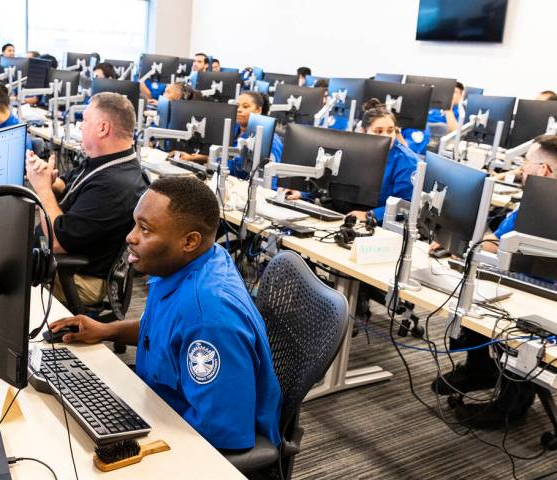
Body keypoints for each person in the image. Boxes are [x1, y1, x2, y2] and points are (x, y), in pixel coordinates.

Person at [47, 176, 282, 450]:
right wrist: (106, 330)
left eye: (145, 229)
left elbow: (223, 438)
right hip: (158, 402)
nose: (130, 236)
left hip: (196, 444)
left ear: (189, 241)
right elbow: (164, 330)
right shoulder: (183, 263)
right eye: (135, 223)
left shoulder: (209, 318)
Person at [431, 134, 557, 429]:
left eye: (526, 163)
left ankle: (512, 404)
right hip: (520, 282)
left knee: (512, 316)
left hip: (546, 300)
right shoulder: (532, 202)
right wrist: (464, 243)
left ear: (545, 171)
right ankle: (481, 369)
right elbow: (496, 242)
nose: (520, 169)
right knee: (470, 284)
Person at [25, 92, 147, 306]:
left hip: (78, 277)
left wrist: (42, 189)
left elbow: (56, 243)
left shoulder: (114, 186)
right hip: (59, 258)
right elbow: (68, 184)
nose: (80, 126)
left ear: (103, 128)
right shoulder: (105, 160)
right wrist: (51, 181)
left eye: (85, 120)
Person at [285, 99, 418, 224]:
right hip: (338, 213)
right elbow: (329, 181)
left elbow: (405, 205)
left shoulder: (406, 161)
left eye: (390, 131)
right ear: (363, 131)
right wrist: (303, 194)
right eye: (378, 131)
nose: (387, 136)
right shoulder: (351, 147)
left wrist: (370, 215)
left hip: (374, 224)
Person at [229, 91, 283, 184]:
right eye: (237, 106)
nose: (239, 109)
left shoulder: (271, 140)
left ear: (258, 110)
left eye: (245, 106)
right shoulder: (232, 129)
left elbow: (270, 179)